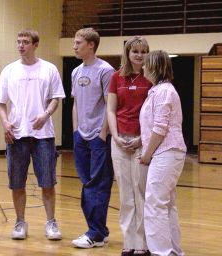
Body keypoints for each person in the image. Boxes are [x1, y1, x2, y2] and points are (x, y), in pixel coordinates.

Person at [0, 29, 65, 241]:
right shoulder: (9, 70)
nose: (21, 45)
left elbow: (56, 98)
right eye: (18, 42)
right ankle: (20, 222)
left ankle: (51, 222)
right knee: (17, 183)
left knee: (47, 182)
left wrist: (46, 115)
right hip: (17, 135)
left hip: (43, 135)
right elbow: (1, 102)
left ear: (35, 44)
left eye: (25, 42)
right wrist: (6, 122)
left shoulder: (49, 69)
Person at [107, 36, 152, 256]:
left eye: (143, 51)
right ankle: (129, 241)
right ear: (128, 53)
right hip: (120, 141)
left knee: (140, 192)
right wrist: (115, 137)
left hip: (141, 141)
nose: (139, 55)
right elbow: (111, 110)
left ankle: (143, 242)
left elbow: (154, 114)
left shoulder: (151, 78)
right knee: (125, 195)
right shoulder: (116, 77)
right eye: (135, 51)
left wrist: (142, 138)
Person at [70, 27, 115, 249]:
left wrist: (103, 133)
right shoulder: (76, 72)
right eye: (74, 42)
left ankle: (95, 233)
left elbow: (110, 105)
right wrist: (76, 131)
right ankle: (100, 231)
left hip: (99, 136)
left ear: (91, 45)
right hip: (81, 136)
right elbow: (76, 103)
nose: (74, 46)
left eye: (78, 42)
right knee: (87, 183)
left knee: (98, 184)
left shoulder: (105, 70)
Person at [139, 50, 186, 256]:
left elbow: (160, 128)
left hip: (165, 151)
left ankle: (161, 252)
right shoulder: (158, 91)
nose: (142, 67)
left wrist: (147, 154)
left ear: (155, 67)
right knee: (166, 205)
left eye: (146, 64)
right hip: (165, 152)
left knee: (155, 203)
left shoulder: (164, 91)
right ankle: (173, 251)